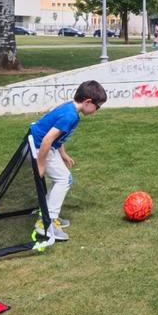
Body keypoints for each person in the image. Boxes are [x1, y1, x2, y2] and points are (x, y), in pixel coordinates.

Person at [30, 80, 107, 240]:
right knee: (64, 179)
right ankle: (46, 222)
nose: (96, 111)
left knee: (63, 179)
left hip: (43, 145)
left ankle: (46, 213)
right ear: (87, 102)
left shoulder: (71, 109)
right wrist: (41, 165)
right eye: (97, 107)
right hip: (40, 146)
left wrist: (63, 154)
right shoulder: (70, 115)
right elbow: (47, 140)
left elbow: (57, 138)